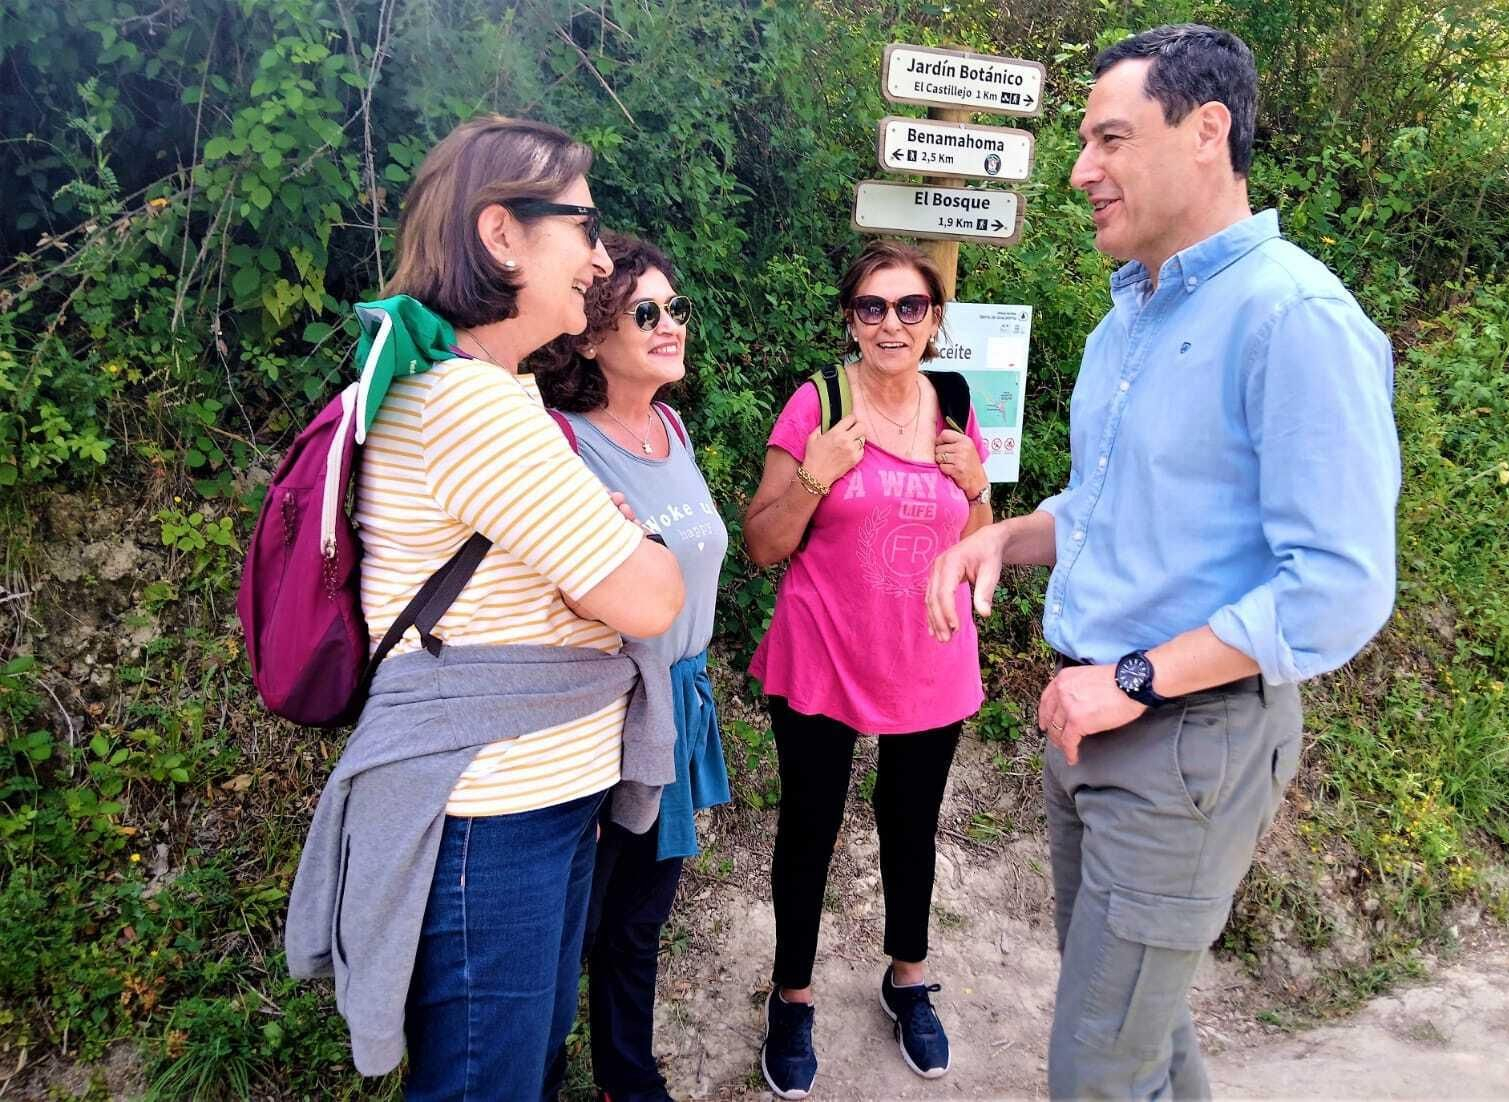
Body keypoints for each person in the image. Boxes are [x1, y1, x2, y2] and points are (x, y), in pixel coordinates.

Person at [926, 25, 1401, 1099]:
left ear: (1205, 132)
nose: (1082, 171)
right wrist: (1005, 536)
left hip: (1184, 735)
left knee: (1098, 1063)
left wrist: (1135, 678)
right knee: (1143, 1030)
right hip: (1090, 722)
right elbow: (1106, 507)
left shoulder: (1294, 317)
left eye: (1108, 139)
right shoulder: (1127, 320)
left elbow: (1337, 582)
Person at [284, 115, 685, 1101]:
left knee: (528, 1066)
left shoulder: (482, 392)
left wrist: (616, 541)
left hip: (534, 804)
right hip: (491, 821)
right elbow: (647, 596)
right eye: (582, 226)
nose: (600, 255)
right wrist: (640, 547)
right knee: (486, 1084)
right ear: (502, 234)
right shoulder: (471, 406)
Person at [743, 239, 994, 1098]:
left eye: (910, 307)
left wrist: (979, 489)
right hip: (826, 650)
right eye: (873, 308)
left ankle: (909, 976)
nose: (892, 323)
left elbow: (975, 546)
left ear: (934, 321)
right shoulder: (817, 404)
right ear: (850, 319)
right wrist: (816, 476)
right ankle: (792, 996)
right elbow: (762, 543)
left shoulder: (956, 406)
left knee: (912, 822)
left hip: (928, 652)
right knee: (809, 827)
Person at [531, 232, 732, 1102]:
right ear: (587, 335)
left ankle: (625, 1075)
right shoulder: (562, 445)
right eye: (644, 312)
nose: (669, 324)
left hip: (675, 711)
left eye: (674, 308)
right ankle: (530, 1073)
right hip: (602, 719)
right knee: (570, 925)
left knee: (639, 918)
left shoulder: (671, 428)